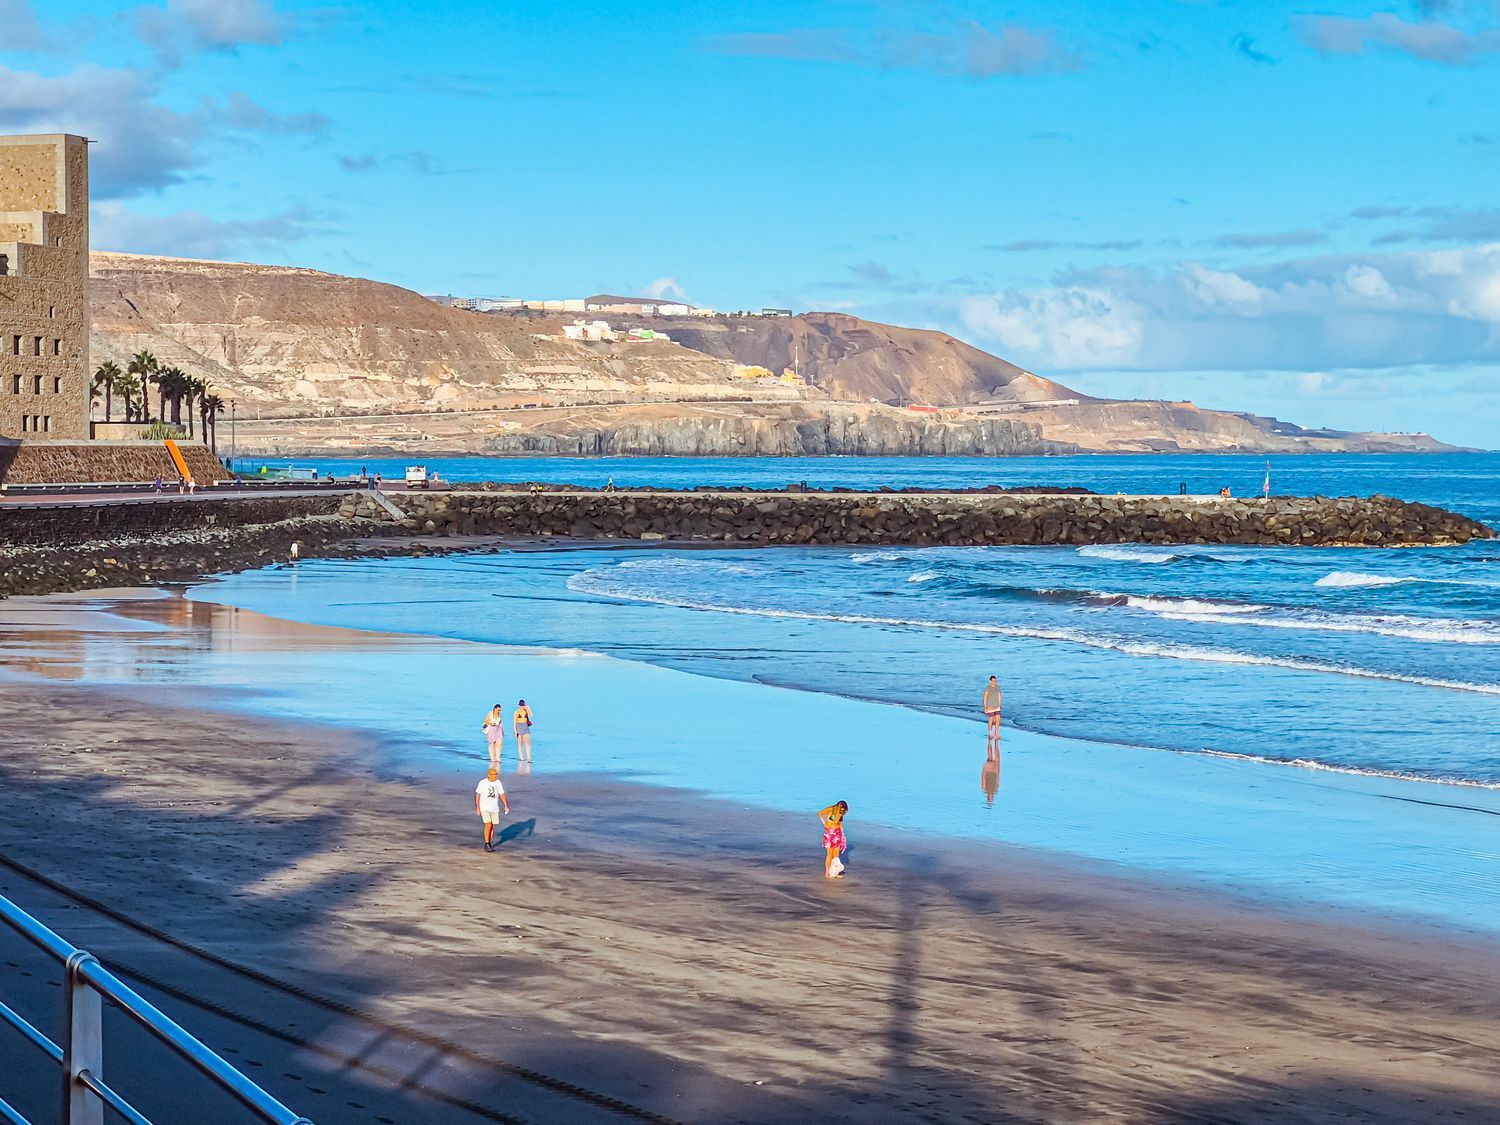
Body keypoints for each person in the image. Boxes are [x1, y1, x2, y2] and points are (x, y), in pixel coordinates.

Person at [474, 767, 510, 851]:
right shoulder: (482, 783)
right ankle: (487, 844)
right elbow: (478, 795)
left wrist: (506, 805)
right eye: (494, 775)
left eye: (496, 774)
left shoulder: (498, 783)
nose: (495, 776)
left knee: (492, 826)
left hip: (494, 808)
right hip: (484, 807)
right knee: (488, 824)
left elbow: (502, 794)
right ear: (489, 775)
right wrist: (477, 807)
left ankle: (489, 842)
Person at [818, 801, 849, 879]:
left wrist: (842, 833)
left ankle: (835, 871)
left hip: (838, 833)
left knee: (836, 855)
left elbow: (840, 823)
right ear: (838, 806)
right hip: (829, 834)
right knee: (830, 854)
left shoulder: (841, 813)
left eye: (843, 810)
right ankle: (827, 871)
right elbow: (821, 813)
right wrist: (825, 823)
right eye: (841, 809)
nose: (842, 811)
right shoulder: (831, 809)